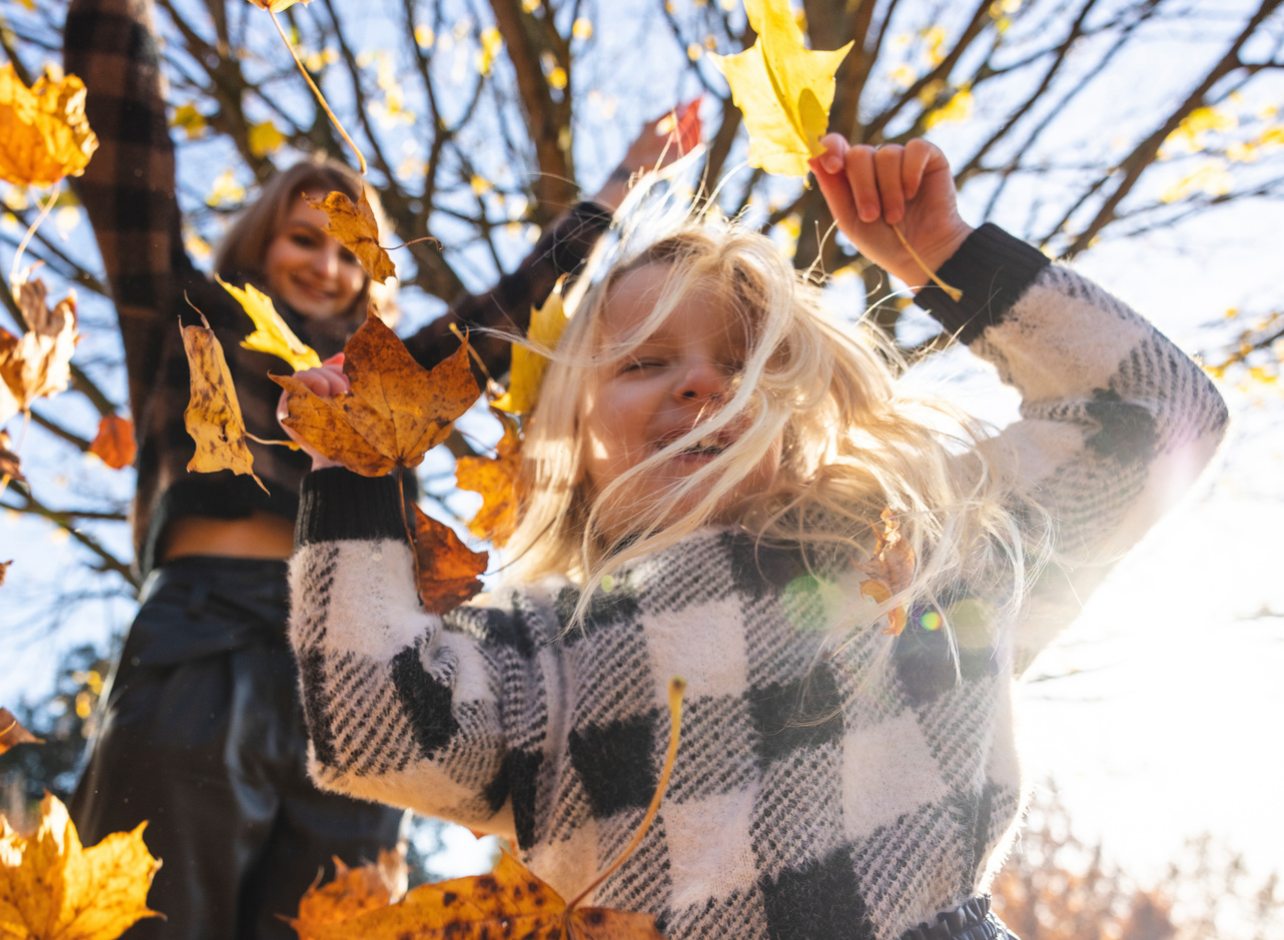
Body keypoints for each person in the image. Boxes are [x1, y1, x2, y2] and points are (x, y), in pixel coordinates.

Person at [278, 133, 1228, 940]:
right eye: (648, 362)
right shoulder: (542, 648)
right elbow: (377, 729)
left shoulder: (921, 546)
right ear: (573, 438)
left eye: (743, 362)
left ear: (807, 403)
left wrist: (942, 254)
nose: (701, 385)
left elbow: (1157, 410)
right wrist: (357, 471)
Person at [60, 1, 696, 936]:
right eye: (303, 238)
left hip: (358, 666)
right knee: (150, 915)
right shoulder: (187, 314)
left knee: (335, 919)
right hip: (204, 634)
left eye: (352, 249)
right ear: (258, 242)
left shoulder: (384, 377)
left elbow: (507, 309)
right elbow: (127, 158)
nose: (327, 265)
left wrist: (620, 185)